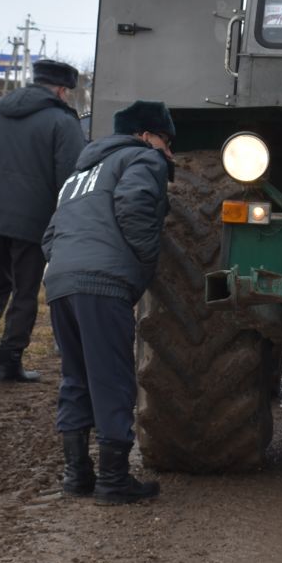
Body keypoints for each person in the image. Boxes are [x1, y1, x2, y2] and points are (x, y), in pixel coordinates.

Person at [42, 100, 175, 505]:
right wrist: (142, 261)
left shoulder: (81, 175)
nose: (167, 152)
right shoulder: (142, 160)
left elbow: (50, 234)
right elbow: (134, 205)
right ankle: (113, 481)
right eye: (165, 141)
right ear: (145, 134)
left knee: (76, 376)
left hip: (61, 281)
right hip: (103, 282)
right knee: (112, 378)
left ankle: (76, 474)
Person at [0, 59, 86, 382]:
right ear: (61, 90)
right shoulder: (63, 121)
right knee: (25, 290)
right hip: (32, 221)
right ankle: (9, 361)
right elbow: (70, 178)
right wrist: (69, 221)